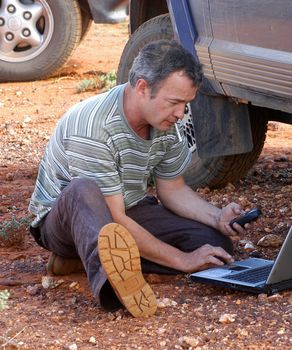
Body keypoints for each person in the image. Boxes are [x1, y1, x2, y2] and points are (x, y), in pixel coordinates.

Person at [28, 40, 247, 317]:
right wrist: (182, 259)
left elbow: (173, 188)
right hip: (67, 220)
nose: (181, 114)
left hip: (126, 207)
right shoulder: (93, 126)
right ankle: (113, 284)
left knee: (214, 247)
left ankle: (85, 260)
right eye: (175, 102)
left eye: (186, 104)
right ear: (143, 87)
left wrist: (217, 218)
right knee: (84, 190)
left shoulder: (164, 121)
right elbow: (114, 217)